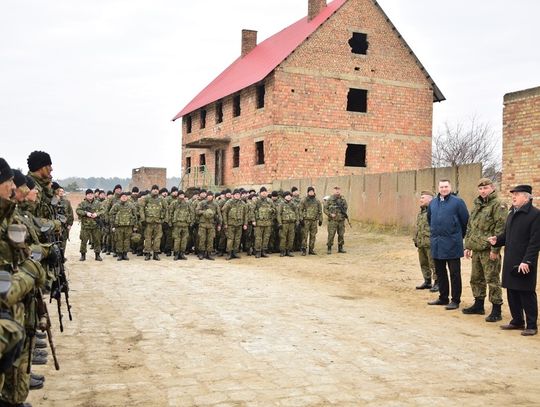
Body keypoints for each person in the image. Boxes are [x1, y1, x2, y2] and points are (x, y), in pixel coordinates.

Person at [489, 185, 540, 336]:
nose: (513, 197)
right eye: (513, 194)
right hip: (510, 258)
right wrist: (497, 240)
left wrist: (528, 261)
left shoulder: (535, 215)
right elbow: (507, 235)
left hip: (525, 261)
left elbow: (535, 242)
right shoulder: (511, 213)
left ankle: (531, 325)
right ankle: (517, 321)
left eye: (517, 194)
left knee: (526, 292)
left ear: (526, 197)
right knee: (512, 291)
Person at [462, 178, 507, 321]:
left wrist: (495, 250)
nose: (483, 191)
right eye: (480, 189)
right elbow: (470, 226)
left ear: (492, 188)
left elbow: (500, 229)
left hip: (489, 250)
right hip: (476, 248)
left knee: (492, 279)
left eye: (485, 188)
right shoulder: (477, 205)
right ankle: (478, 305)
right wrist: (468, 246)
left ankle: (496, 309)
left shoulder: (498, 205)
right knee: (476, 278)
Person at [427, 179, 469, 310]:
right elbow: (430, 219)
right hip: (437, 243)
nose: (443, 189)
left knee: (454, 273)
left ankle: (455, 300)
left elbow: (465, 221)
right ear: (438, 188)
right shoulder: (433, 203)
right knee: (440, 272)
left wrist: (457, 236)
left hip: (452, 244)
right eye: (441, 187)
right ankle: (443, 297)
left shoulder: (458, 202)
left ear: (450, 187)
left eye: (446, 186)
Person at [413, 191, 437, 290]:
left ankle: (437, 282)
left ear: (430, 199)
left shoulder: (434, 211)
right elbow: (418, 227)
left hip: (430, 243)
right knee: (423, 263)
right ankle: (427, 281)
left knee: (434, 264)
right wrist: (415, 239)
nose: (420, 200)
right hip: (421, 243)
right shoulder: (421, 213)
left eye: (423, 198)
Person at [139, 185, 167, 261]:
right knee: (148, 238)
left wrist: (164, 220)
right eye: (154, 189)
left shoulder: (161, 199)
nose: (155, 191)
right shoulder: (147, 198)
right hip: (148, 222)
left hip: (158, 222)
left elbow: (166, 209)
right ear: (151, 190)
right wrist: (143, 219)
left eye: (157, 189)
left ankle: (156, 254)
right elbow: (141, 209)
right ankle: (147, 253)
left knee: (157, 239)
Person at [76, 189, 104, 261]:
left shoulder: (98, 203)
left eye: (91, 194)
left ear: (93, 195)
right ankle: (83, 255)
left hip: (95, 225)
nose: (90, 195)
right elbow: (78, 210)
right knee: (84, 241)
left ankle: (97, 255)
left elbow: (103, 210)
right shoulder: (82, 203)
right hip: (85, 226)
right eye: (88, 194)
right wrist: (86, 213)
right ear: (86, 195)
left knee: (97, 240)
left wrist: (96, 214)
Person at [109, 192, 138, 261]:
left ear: (127, 197)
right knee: (119, 240)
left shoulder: (131, 205)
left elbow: (135, 216)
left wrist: (135, 226)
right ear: (120, 198)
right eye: (122, 196)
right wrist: (113, 225)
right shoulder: (116, 205)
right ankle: (119, 254)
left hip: (128, 226)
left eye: (125, 196)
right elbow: (111, 214)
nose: (124, 197)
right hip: (118, 226)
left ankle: (125, 254)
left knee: (127, 240)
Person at [195, 191, 222, 260]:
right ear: (207, 196)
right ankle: (201, 253)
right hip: (203, 224)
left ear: (213, 196)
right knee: (202, 239)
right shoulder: (202, 203)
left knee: (210, 239)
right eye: (208, 195)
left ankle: (208, 254)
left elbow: (219, 215)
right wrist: (204, 212)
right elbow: (197, 211)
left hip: (211, 224)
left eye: (211, 195)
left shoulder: (215, 204)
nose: (209, 197)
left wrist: (219, 224)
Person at [222, 189, 247, 260]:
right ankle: (229, 253)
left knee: (237, 239)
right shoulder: (229, 202)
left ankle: (235, 253)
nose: (237, 196)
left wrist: (245, 224)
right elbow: (224, 213)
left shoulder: (242, 203)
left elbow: (245, 214)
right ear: (233, 195)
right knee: (230, 239)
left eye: (238, 195)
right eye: (236, 194)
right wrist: (225, 223)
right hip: (230, 224)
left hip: (239, 224)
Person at [169, 190, 193, 261]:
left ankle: (182, 253)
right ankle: (176, 254)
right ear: (178, 195)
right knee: (177, 239)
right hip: (177, 224)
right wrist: (170, 222)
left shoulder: (187, 203)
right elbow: (170, 212)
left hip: (185, 224)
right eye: (180, 195)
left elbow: (191, 212)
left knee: (184, 240)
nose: (182, 196)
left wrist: (191, 222)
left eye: (183, 195)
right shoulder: (174, 203)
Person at [299, 186, 323, 256]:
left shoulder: (317, 201)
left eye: (312, 191)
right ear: (308, 192)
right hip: (306, 221)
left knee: (313, 236)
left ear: (314, 192)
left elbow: (320, 211)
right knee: (304, 236)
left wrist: (320, 220)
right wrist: (301, 219)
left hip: (314, 221)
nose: (311, 192)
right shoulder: (304, 200)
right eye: (310, 191)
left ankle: (311, 249)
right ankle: (304, 250)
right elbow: (300, 210)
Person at [324, 186, 348, 254]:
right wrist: (330, 214)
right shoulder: (330, 199)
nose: (337, 191)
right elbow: (325, 209)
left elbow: (346, 207)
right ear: (333, 191)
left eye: (338, 190)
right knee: (331, 235)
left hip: (341, 220)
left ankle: (340, 248)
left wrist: (343, 214)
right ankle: (329, 248)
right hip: (332, 221)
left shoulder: (343, 199)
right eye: (336, 190)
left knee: (341, 234)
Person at [253, 187, 276, 258]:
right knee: (258, 238)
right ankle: (258, 252)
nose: (264, 193)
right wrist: (253, 220)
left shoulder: (270, 201)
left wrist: (270, 210)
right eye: (263, 192)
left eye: (265, 192)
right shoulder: (256, 201)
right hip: (259, 222)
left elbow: (274, 210)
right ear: (260, 193)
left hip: (267, 223)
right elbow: (252, 211)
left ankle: (264, 251)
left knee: (266, 238)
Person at [277, 191, 299, 257]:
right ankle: (282, 251)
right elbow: (278, 214)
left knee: (291, 237)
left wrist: (297, 221)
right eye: (287, 195)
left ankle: (289, 251)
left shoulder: (293, 204)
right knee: (283, 237)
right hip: (284, 223)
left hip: (292, 224)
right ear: (284, 197)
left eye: (290, 195)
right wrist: (280, 223)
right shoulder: (281, 204)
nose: (289, 196)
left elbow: (297, 213)